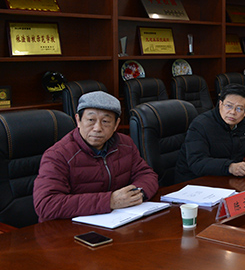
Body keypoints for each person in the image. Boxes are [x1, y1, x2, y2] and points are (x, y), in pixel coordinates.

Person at [33, 91, 158, 222]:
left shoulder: (125, 144)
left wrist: (137, 194)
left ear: (116, 124)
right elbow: (46, 204)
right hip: (68, 228)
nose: (97, 128)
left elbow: (147, 175)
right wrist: (110, 201)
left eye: (105, 121)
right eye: (91, 120)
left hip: (117, 221)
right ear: (78, 120)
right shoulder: (58, 155)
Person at [175, 84, 245, 182]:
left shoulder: (242, 125)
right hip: (194, 182)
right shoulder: (200, 125)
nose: (233, 112)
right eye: (228, 106)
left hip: (225, 179)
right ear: (220, 104)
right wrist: (230, 167)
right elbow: (197, 162)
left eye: (239, 108)